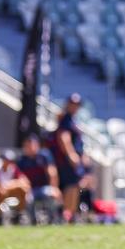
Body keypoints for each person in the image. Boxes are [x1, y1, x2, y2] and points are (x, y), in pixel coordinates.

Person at [52, 94, 88, 222]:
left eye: (77, 105)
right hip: (68, 161)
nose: (75, 107)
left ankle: (71, 214)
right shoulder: (66, 119)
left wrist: (82, 155)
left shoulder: (73, 119)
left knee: (76, 185)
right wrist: (71, 154)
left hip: (75, 159)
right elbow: (64, 138)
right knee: (71, 186)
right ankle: (66, 214)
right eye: (73, 104)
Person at [14, 136, 60, 223]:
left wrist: (54, 188)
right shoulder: (22, 160)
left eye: (31, 145)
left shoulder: (44, 156)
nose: (29, 148)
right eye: (27, 146)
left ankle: (53, 220)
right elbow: (21, 177)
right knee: (28, 198)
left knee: (49, 193)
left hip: (44, 187)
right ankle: (33, 221)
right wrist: (26, 188)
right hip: (31, 189)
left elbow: (52, 173)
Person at [0, 151, 31, 221]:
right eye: (6, 160)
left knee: (23, 190)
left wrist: (9, 185)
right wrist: (6, 186)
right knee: (2, 192)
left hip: (11, 192)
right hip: (0, 193)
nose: (8, 162)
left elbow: (25, 181)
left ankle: (19, 213)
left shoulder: (14, 169)